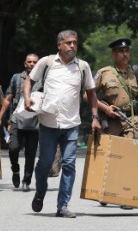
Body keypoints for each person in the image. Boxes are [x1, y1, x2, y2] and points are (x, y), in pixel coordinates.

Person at [23, 30, 101, 218]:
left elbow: (91, 93)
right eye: (68, 43)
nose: (72, 46)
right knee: (45, 164)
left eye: (75, 42)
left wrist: (95, 117)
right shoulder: (47, 62)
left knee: (69, 164)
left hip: (71, 124)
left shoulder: (82, 67)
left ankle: (62, 205)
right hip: (48, 123)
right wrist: (27, 98)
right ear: (59, 45)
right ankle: (40, 191)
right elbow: (29, 80)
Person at [87, 38, 138, 209]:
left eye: (127, 51)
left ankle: (125, 196)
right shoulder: (104, 73)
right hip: (112, 121)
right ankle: (106, 191)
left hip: (132, 121)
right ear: (114, 54)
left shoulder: (136, 72)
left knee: (130, 158)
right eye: (121, 51)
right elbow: (88, 95)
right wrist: (105, 109)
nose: (125, 54)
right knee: (112, 159)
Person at [0, 54, 40, 192]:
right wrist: (0, 118)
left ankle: (26, 181)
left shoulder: (42, 79)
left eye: (34, 62)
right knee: (13, 148)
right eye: (29, 62)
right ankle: (15, 169)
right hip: (16, 120)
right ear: (25, 64)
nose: (31, 64)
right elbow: (8, 99)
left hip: (34, 122)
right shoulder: (16, 78)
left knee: (30, 154)